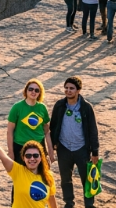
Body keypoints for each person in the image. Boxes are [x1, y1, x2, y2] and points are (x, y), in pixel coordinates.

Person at [0, 124, 58, 208]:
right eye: (28, 156)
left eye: (35, 155)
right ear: (23, 158)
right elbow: (3, 156)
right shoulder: (18, 171)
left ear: (41, 158)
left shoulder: (48, 176)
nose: (32, 158)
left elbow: (52, 203)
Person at [49, 77, 100, 208]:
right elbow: (53, 125)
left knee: (87, 178)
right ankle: (69, 203)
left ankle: (89, 204)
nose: (68, 90)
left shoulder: (86, 107)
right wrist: (53, 144)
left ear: (78, 90)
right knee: (65, 179)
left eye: (71, 88)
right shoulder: (59, 105)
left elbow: (93, 130)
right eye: (66, 88)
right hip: (64, 148)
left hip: (81, 149)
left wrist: (95, 151)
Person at [8, 79, 53, 165]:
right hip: (20, 147)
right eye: (30, 89)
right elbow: (9, 131)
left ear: (40, 93)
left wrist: (50, 151)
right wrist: (11, 152)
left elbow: (47, 132)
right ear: (26, 90)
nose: (33, 92)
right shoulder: (17, 107)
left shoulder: (42, 107)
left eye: (36, 90)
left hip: (39, 146)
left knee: (42, 172)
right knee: (21, 173)